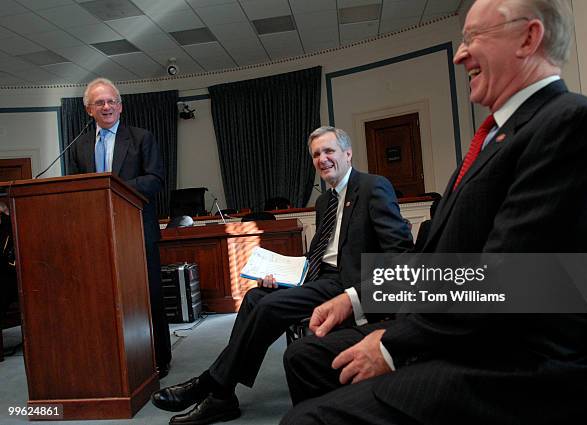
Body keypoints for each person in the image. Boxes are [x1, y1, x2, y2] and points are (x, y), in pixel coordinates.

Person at [281, 1, 587, 424]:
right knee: (304, 356)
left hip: (510, 366)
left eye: (474, 38)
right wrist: (356, 299)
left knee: (304, 420)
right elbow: (439, 263)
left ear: (529, 38)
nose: (459, 54)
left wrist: (391, 345)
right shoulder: (493, 139)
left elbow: (509, 279)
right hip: (461, 333)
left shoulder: (570, 122)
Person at [151, 126, 414, 424]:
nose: (323, 159)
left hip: (347, 285)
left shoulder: (373, 187)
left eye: (329, 151)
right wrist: (280, 273)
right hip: (319, 278)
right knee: (254, 297)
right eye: (316, 154)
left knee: (268, 307)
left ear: (348, 153)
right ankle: (223, 396)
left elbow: (401, 254)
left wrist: (364, 294)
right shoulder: (324, 202)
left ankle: (212, 384)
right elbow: (319, 253)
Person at [68, 78, 171, 377]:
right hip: (97, 235)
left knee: (147, 294)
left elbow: (155, 179)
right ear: (89, 110)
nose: (107, 106)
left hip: (137, 231)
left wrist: (111, 187)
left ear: (121, 106)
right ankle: (113, 356)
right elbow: (75, 188)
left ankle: (159, 358)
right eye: (99, 102)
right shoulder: (80, 146)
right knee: (105, 296)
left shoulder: (141, 138)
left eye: (111, 101)